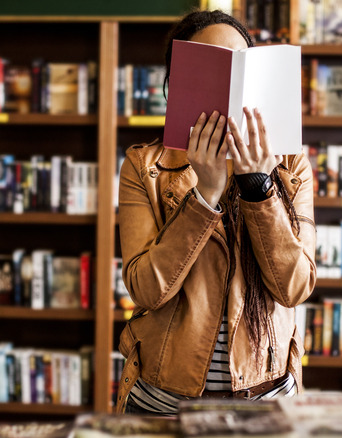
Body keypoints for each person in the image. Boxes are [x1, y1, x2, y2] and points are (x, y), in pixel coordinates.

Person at [115, 9, 316, 415]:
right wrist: (203, 195)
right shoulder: (145, 167)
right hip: (164, 405)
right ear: (179, 84)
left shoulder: (290, 167)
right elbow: (146, 290)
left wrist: (258, 186)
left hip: (265, 401)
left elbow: (294, 287)